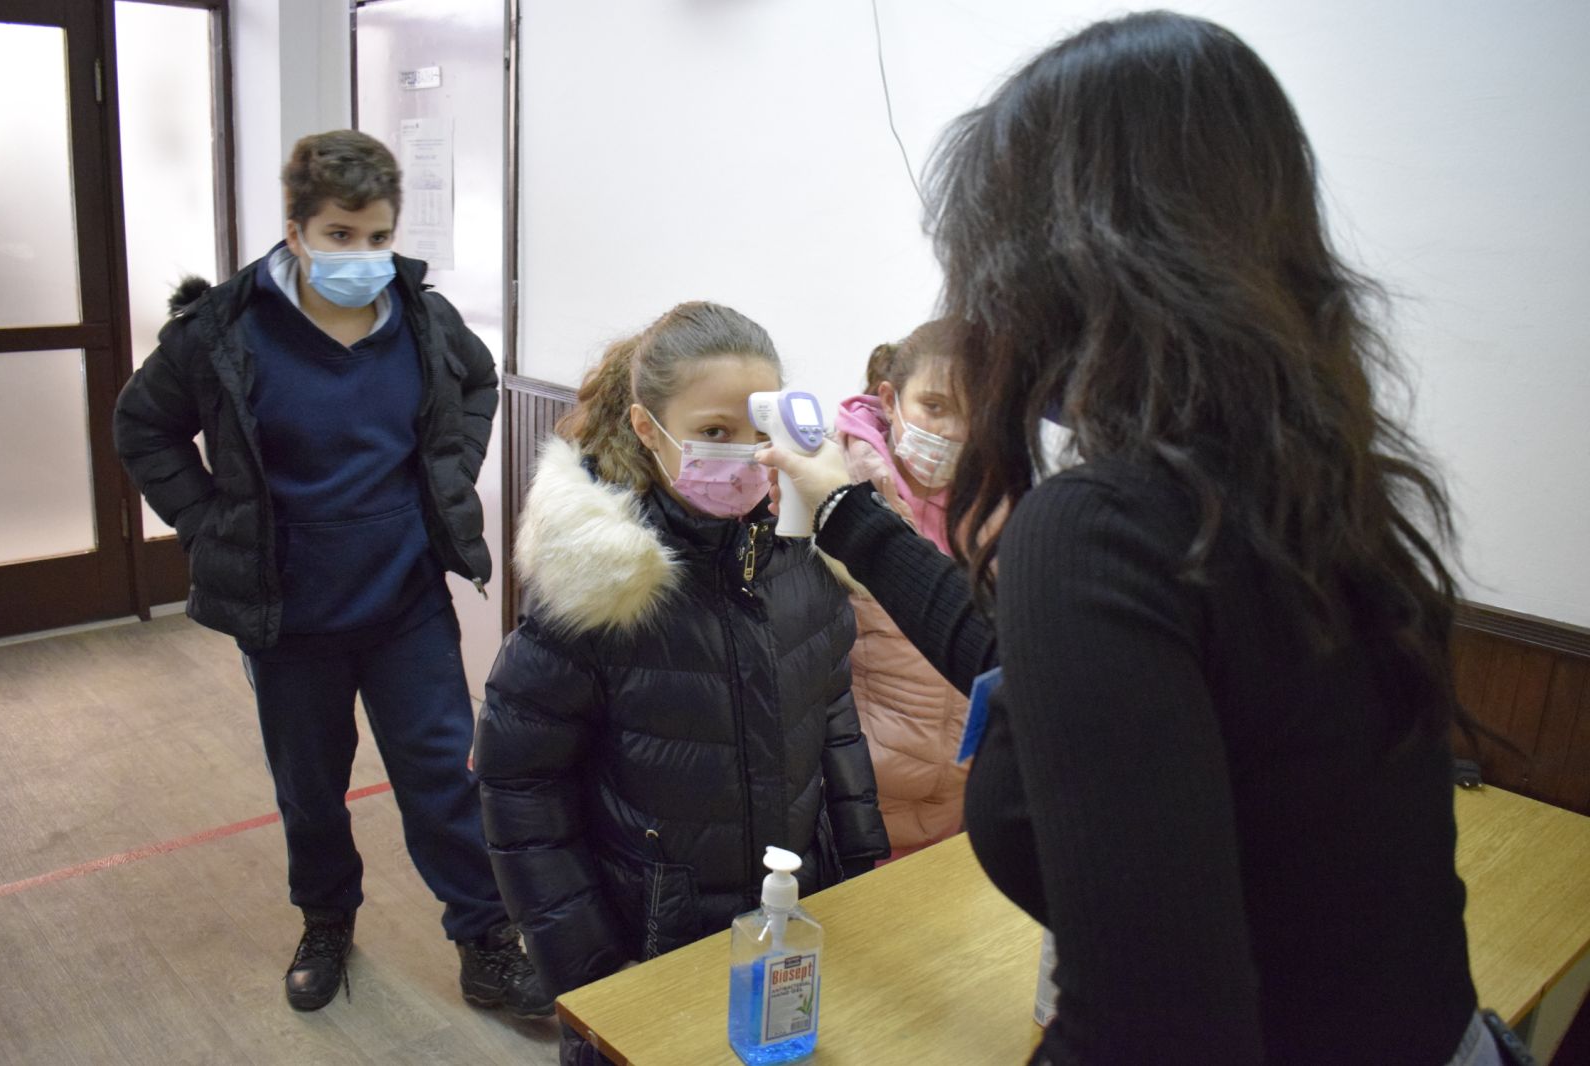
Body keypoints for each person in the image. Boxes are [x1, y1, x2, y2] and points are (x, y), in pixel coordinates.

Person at [764, 12, 1495, 1065]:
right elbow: (1043, 678)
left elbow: (1151, 1032)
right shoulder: (1307, 486)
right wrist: (846, 511)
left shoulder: (1103, 522)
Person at [113, 130, 548, 1018]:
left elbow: (478, 385)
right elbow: (141, 426)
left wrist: (450, 475)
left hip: (404, 603)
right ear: (296, 230)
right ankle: (325, 920)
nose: (362, 256)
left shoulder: (422, 319)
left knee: (442, 776)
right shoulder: (223, 332)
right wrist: (208, 525)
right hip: (288, 615)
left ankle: (484, 937)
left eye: (378, 236)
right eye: (340, 236)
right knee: (310, 790)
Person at [473, 301, 888, 1062]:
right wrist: (593, 974)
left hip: (784, 928)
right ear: (646, 427)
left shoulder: (805, 558)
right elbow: (521, 782)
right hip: (648, 945)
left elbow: (833, 717)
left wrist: (861, 879)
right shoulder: (603, 583)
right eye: (714, 432)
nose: (743, 456)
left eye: (758, 431)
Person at [834, 321, 973, 858]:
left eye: (975, 412)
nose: (952, 431)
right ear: (890, 400)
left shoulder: (1000, 506)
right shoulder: (835, 491)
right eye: (934, 407)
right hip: (857, 803)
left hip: (962, 802)